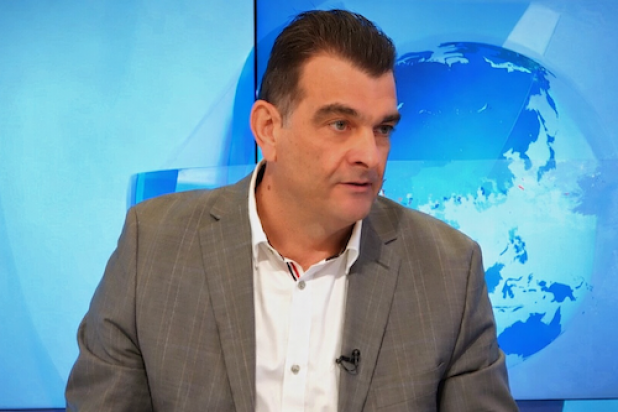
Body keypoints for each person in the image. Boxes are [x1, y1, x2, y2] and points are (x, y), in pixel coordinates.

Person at [66, 9, 518, 412]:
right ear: (268, 128)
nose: (370, 155)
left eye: (382, 129)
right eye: (340, 124)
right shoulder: (153, 246)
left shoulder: (448, 269)